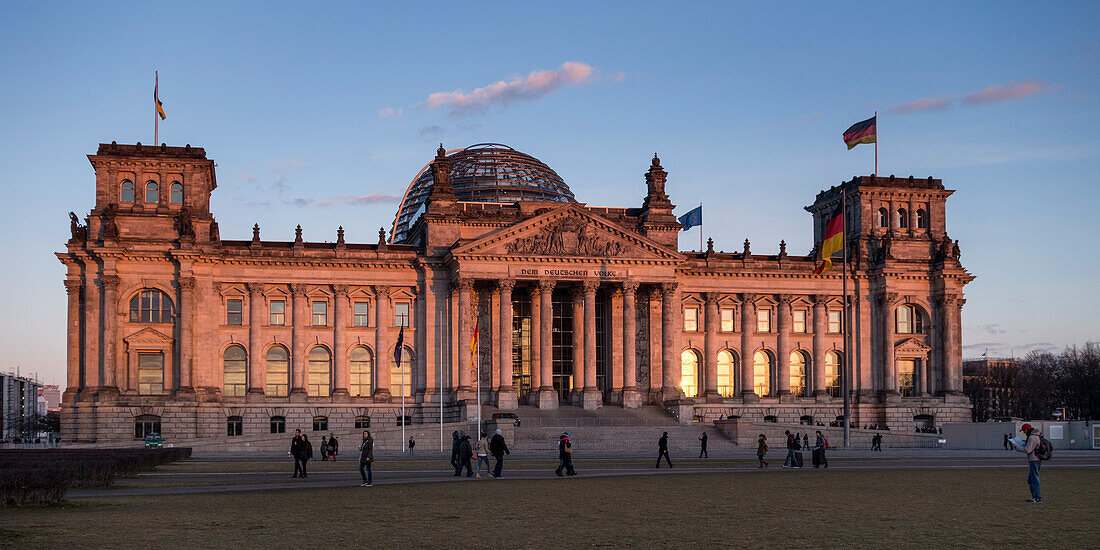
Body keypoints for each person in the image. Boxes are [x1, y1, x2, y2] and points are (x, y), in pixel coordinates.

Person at [1010, 423, 1043, 503]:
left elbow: (1028, 450)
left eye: (1024, 431)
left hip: (1034, 460)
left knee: (1034, 479)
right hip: (1036, 459)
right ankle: (1035, 497)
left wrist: (1016, 447)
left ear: (1027, 430)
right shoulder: (1035, 436)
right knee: (1031, 480)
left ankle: (1037, 498)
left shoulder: (1032, 437)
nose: (1024, 432)